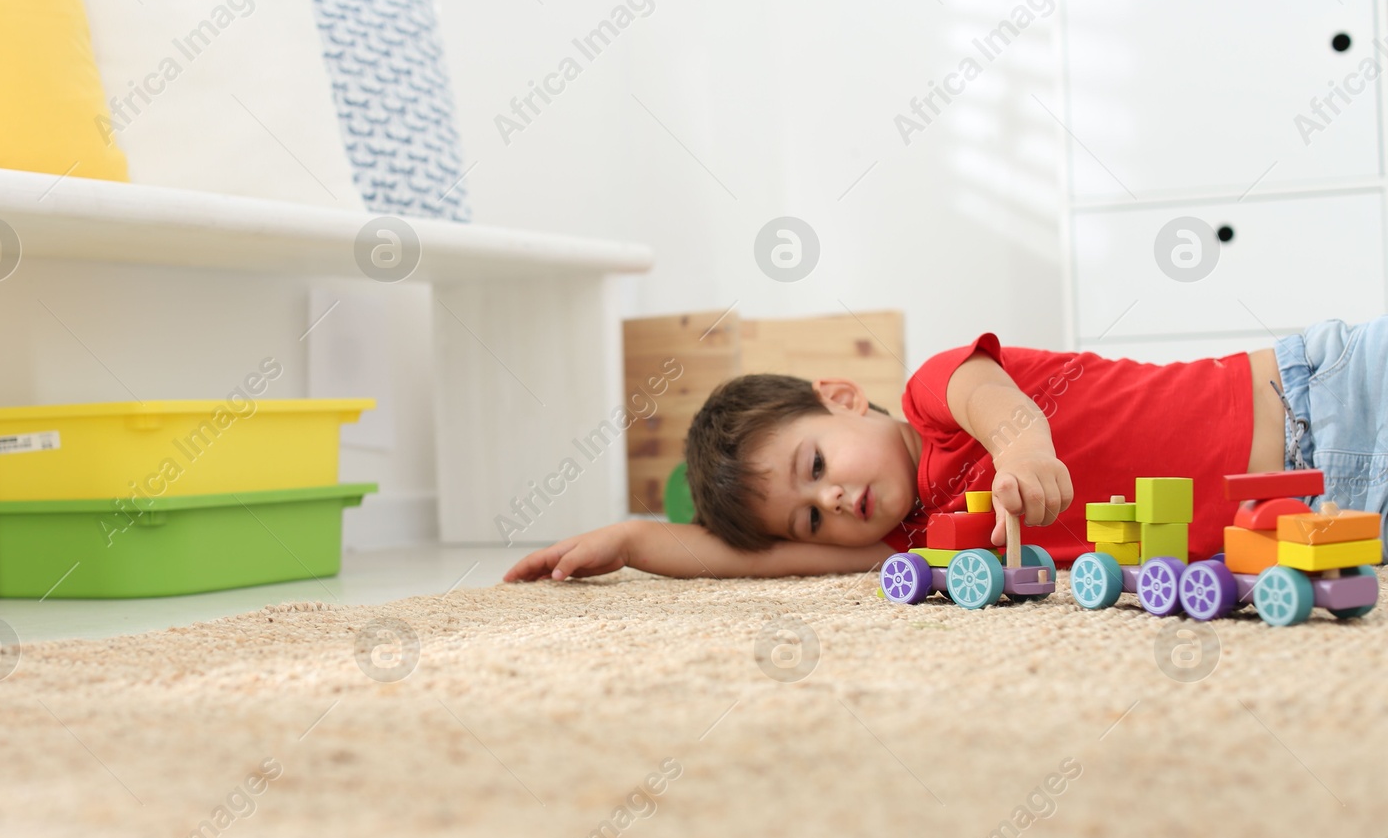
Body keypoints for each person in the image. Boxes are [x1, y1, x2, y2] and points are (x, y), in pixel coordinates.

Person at [504, 318, 1387, 582]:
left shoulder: (934, 398)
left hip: (1323, 399)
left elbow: (990, 396)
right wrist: (628, 539)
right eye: (814, 515)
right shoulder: (920, 540)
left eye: (818, 468)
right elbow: (762, 555)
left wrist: (1017, 444)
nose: (835, 503)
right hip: (1326, 517)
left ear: (843, 397)